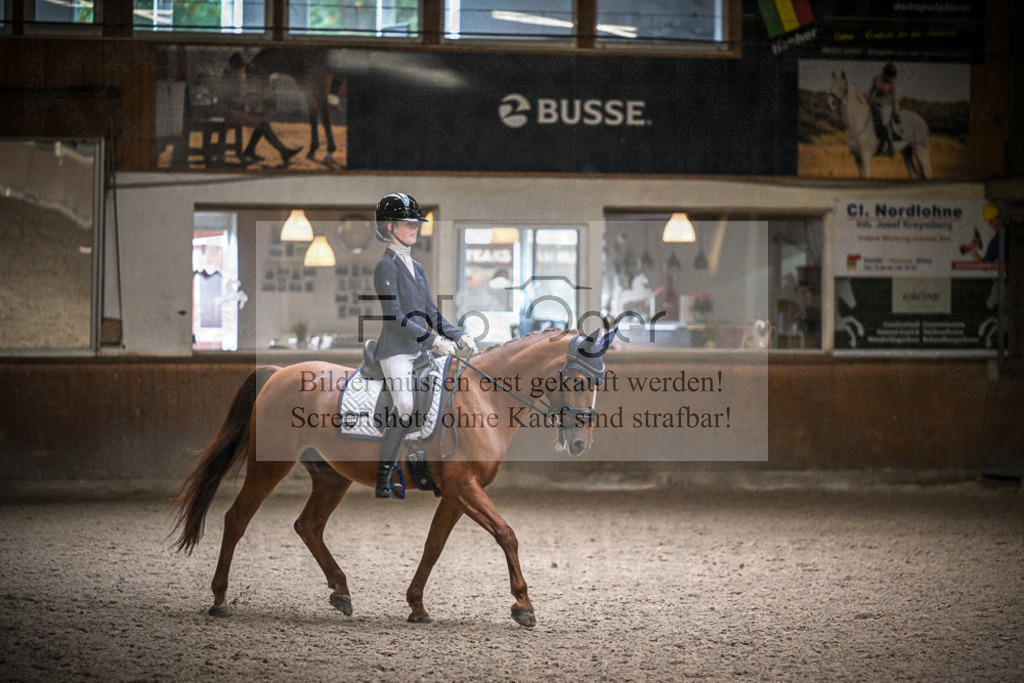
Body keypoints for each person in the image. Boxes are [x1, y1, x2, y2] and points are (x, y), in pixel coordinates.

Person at [372, 192, 477, 498]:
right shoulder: (385, 266)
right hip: (396, 351)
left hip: (420, 352)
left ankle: (430, 468)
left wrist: (458, 335)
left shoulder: (416, 267)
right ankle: (383, 476)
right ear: (390, 227)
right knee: (405, 406)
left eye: (415, 223)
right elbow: (395, 316)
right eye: (408, 223)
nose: (415, 228)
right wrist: (432, 340)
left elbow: (431, 312)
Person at [217, 52, 301, 166]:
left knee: (263, 119)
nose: (241, 71)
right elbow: (234, 100)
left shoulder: (232, 76)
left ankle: (251, 150)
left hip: (235, 111)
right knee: (262, 123)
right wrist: (249, 99)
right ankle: (283, 151)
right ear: (234, 67)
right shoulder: (229, 79)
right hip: (230, 113)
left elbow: (239, 98)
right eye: (240, 69)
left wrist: (251, 98)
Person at [869, 62, 901, 157]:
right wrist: (869, 101)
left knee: (884, 122)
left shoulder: (891, 84)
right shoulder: (876, 79)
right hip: (876, 104)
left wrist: (896, 112)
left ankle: (889, 145)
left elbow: (894, 99)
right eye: (889, 75)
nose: (890, 78)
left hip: (886, 106)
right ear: (885, 73)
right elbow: (871, 92)